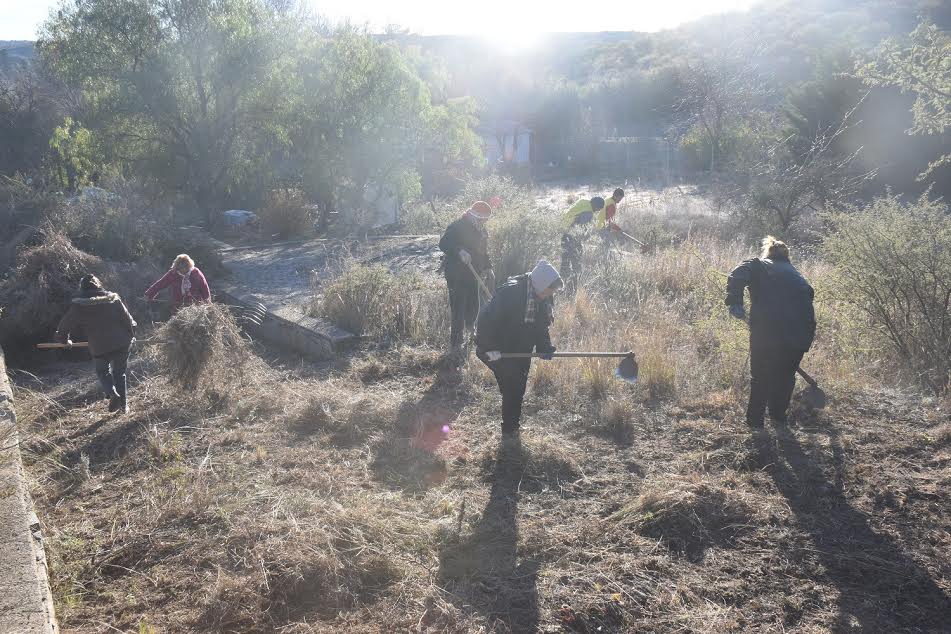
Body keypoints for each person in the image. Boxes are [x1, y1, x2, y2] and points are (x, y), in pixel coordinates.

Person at [726, 236, 816, 428]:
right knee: (786, 376)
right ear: (786, 256)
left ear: (768, 252)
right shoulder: (797, 275)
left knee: (760, 376)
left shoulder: (758, 264)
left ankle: (756, 424)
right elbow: (810, 295)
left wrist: (735, 302)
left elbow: (737, 274)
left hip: (768, 331)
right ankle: (778, 419)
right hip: (801, 333)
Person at [475, 260, 562, 438]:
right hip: (497, 348)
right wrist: (489, 347)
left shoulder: (543, 295)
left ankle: (512, 428)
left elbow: (541, 325)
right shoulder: (510, 292)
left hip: (521, 349)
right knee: (512, 386)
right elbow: (485, 320)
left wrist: (544, 346)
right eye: (549, 290)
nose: (550, 294)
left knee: (517, 388)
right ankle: (509, 432)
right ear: (540, 284)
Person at [55, 274, 137, 414]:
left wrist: (65, 341)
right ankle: (124, 407)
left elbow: (64, 327)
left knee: (102, 372)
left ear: (82, 288)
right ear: (99, 285)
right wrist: (131, 335)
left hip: (99, 346)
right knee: (119, 374)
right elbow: (128, 319)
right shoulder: (113, 299)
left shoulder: (79, 306)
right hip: (121, 343)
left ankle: (112, 393)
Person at [438, 201, 494, 350]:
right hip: (456, 274)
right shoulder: (458, 226)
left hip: (472, 274)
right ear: (475, 216)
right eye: (483, 219)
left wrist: (488, 267)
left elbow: (482, 251)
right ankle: (456, 343)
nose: (485, 222)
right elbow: (443, 243)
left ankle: (471, 333)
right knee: (459, 308)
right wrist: (459, 251)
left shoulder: (481, 230)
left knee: (473, 305)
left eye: (486, 220)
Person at [559, 196, 605, 294]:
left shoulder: (584, 202)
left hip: (564, 233)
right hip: (572, 238)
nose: (597, 211)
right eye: (598, 209)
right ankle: (572, 290)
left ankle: (560, 287)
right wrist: (590, 234)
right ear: (596, 206)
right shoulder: (588, 213)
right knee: (576, 264)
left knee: (565, 262)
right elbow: (580, 231)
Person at [144, 254, 211, 314]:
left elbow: (204, 287)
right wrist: (149, 294)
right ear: (177, 266)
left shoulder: (196, 273)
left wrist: (208, 303)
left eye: (185, 266)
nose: (183, 269)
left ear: (188, 265)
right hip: (179, 306)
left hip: (196, 306)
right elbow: (161, 283)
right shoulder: (173, 273)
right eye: (180, 267)